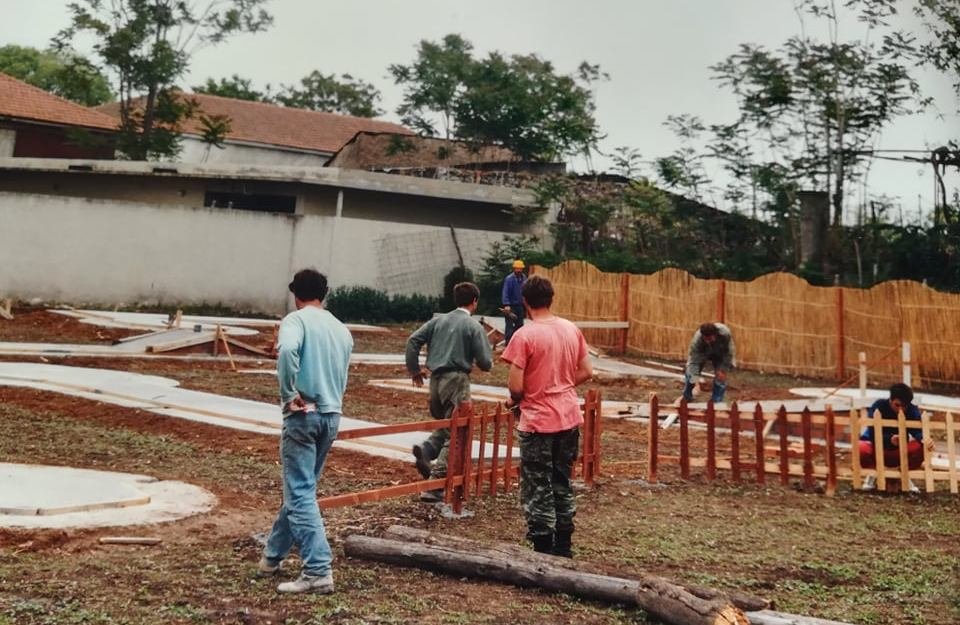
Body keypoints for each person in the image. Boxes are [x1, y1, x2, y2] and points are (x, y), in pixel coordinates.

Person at [257, 269, 353, 594]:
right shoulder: (341, 329)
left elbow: (286, 352)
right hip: (331, 415)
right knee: (302, 489)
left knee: (299, 492)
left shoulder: (295, 321)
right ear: (323, 294)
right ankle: (272, 557)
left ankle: (318, 570)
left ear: (296, 294)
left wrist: (287, 393)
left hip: (304, 413)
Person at [502, 275, 593, 557]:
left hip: (538, 421)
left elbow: (516, 386)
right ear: (551, 298)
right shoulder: (570, 329)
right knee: (561, 479)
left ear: (525, 301)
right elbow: (586, 371)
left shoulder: (525, 335)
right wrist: (560, 386)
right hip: (568, 416)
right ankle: (564, 543)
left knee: (537, 483)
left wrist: (520, 398)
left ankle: (542, 546)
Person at [406, 282, 493, 502]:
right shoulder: (473, 326)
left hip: (435, 381)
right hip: (457, 380)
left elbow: (413, 340)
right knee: (457, 432)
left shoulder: (438, 321)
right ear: (474, 301)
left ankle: (427, 450)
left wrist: (415, 369)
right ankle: (435, 484)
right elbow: (485, 362)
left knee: (447, 423)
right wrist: (482, 362)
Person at [859, 383, 934, 493]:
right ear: (890, 399)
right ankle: (872, 474)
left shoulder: (912, 410)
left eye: (904, 406)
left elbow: (917, 431)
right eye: (897, 405)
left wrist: (924, 439)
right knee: (861, 447)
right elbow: (872, 434)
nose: (900, 410)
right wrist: (890, 440)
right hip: (878, 449)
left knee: (923, 447)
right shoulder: (879, 406)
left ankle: (904, 474)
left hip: (900, 452)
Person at [681, 322, 735, 404]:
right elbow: (694, 361)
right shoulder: (697, 341)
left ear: (715, 334)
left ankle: (717, 402)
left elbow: (728, 353)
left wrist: (723, 368)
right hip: (702, 352)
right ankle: (687, 397)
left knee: (720, 378)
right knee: (691, 376)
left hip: (720, 352)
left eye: (710, 339)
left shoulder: (725, 334)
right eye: (706, 339)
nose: (708, 342)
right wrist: (695, 380)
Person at [501, 259, 527, 346]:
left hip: (520, 306)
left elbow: (525, 291)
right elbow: (505, 292)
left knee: (520, 325)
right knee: (509, 326)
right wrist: (506, 304)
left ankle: (517, 344)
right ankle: (508, 345)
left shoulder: (524, 278)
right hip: (510, 306)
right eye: (517, 269)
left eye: (520, 269)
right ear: (514, 269)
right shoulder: (509, 279)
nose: (519, 270)